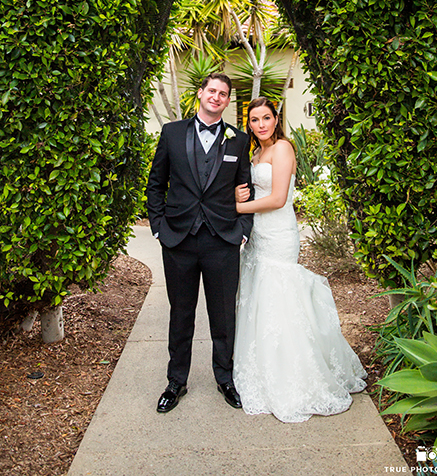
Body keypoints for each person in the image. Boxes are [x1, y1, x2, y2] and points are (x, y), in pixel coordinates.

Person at [233, 97, 367, 423]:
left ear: (276, 119)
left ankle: (294, 374)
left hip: (278, 233)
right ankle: (262, 367)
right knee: (258, 299)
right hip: (258, 235)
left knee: (279, 297)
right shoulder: (256, 153)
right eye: (254, 120)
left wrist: (233, 208)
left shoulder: (282, 149)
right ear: (248, 123)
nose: (261, 124)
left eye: (266, 118)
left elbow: (278, 199)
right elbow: (255, 191)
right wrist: (239, 196)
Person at [147, 73, 253, 413]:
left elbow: (246, 187)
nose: (217, 97)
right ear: (201, 93)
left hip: (222, 240)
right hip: (178, 239)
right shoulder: (172, 133)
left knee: (223, 315)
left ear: (227, 101)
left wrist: (243, 229)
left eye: (223, 94)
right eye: (212, 91)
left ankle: (225, 377)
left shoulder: (238, 140)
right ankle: (176, 381)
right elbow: (155, 184)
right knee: (181, 313)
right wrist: (159, 228)